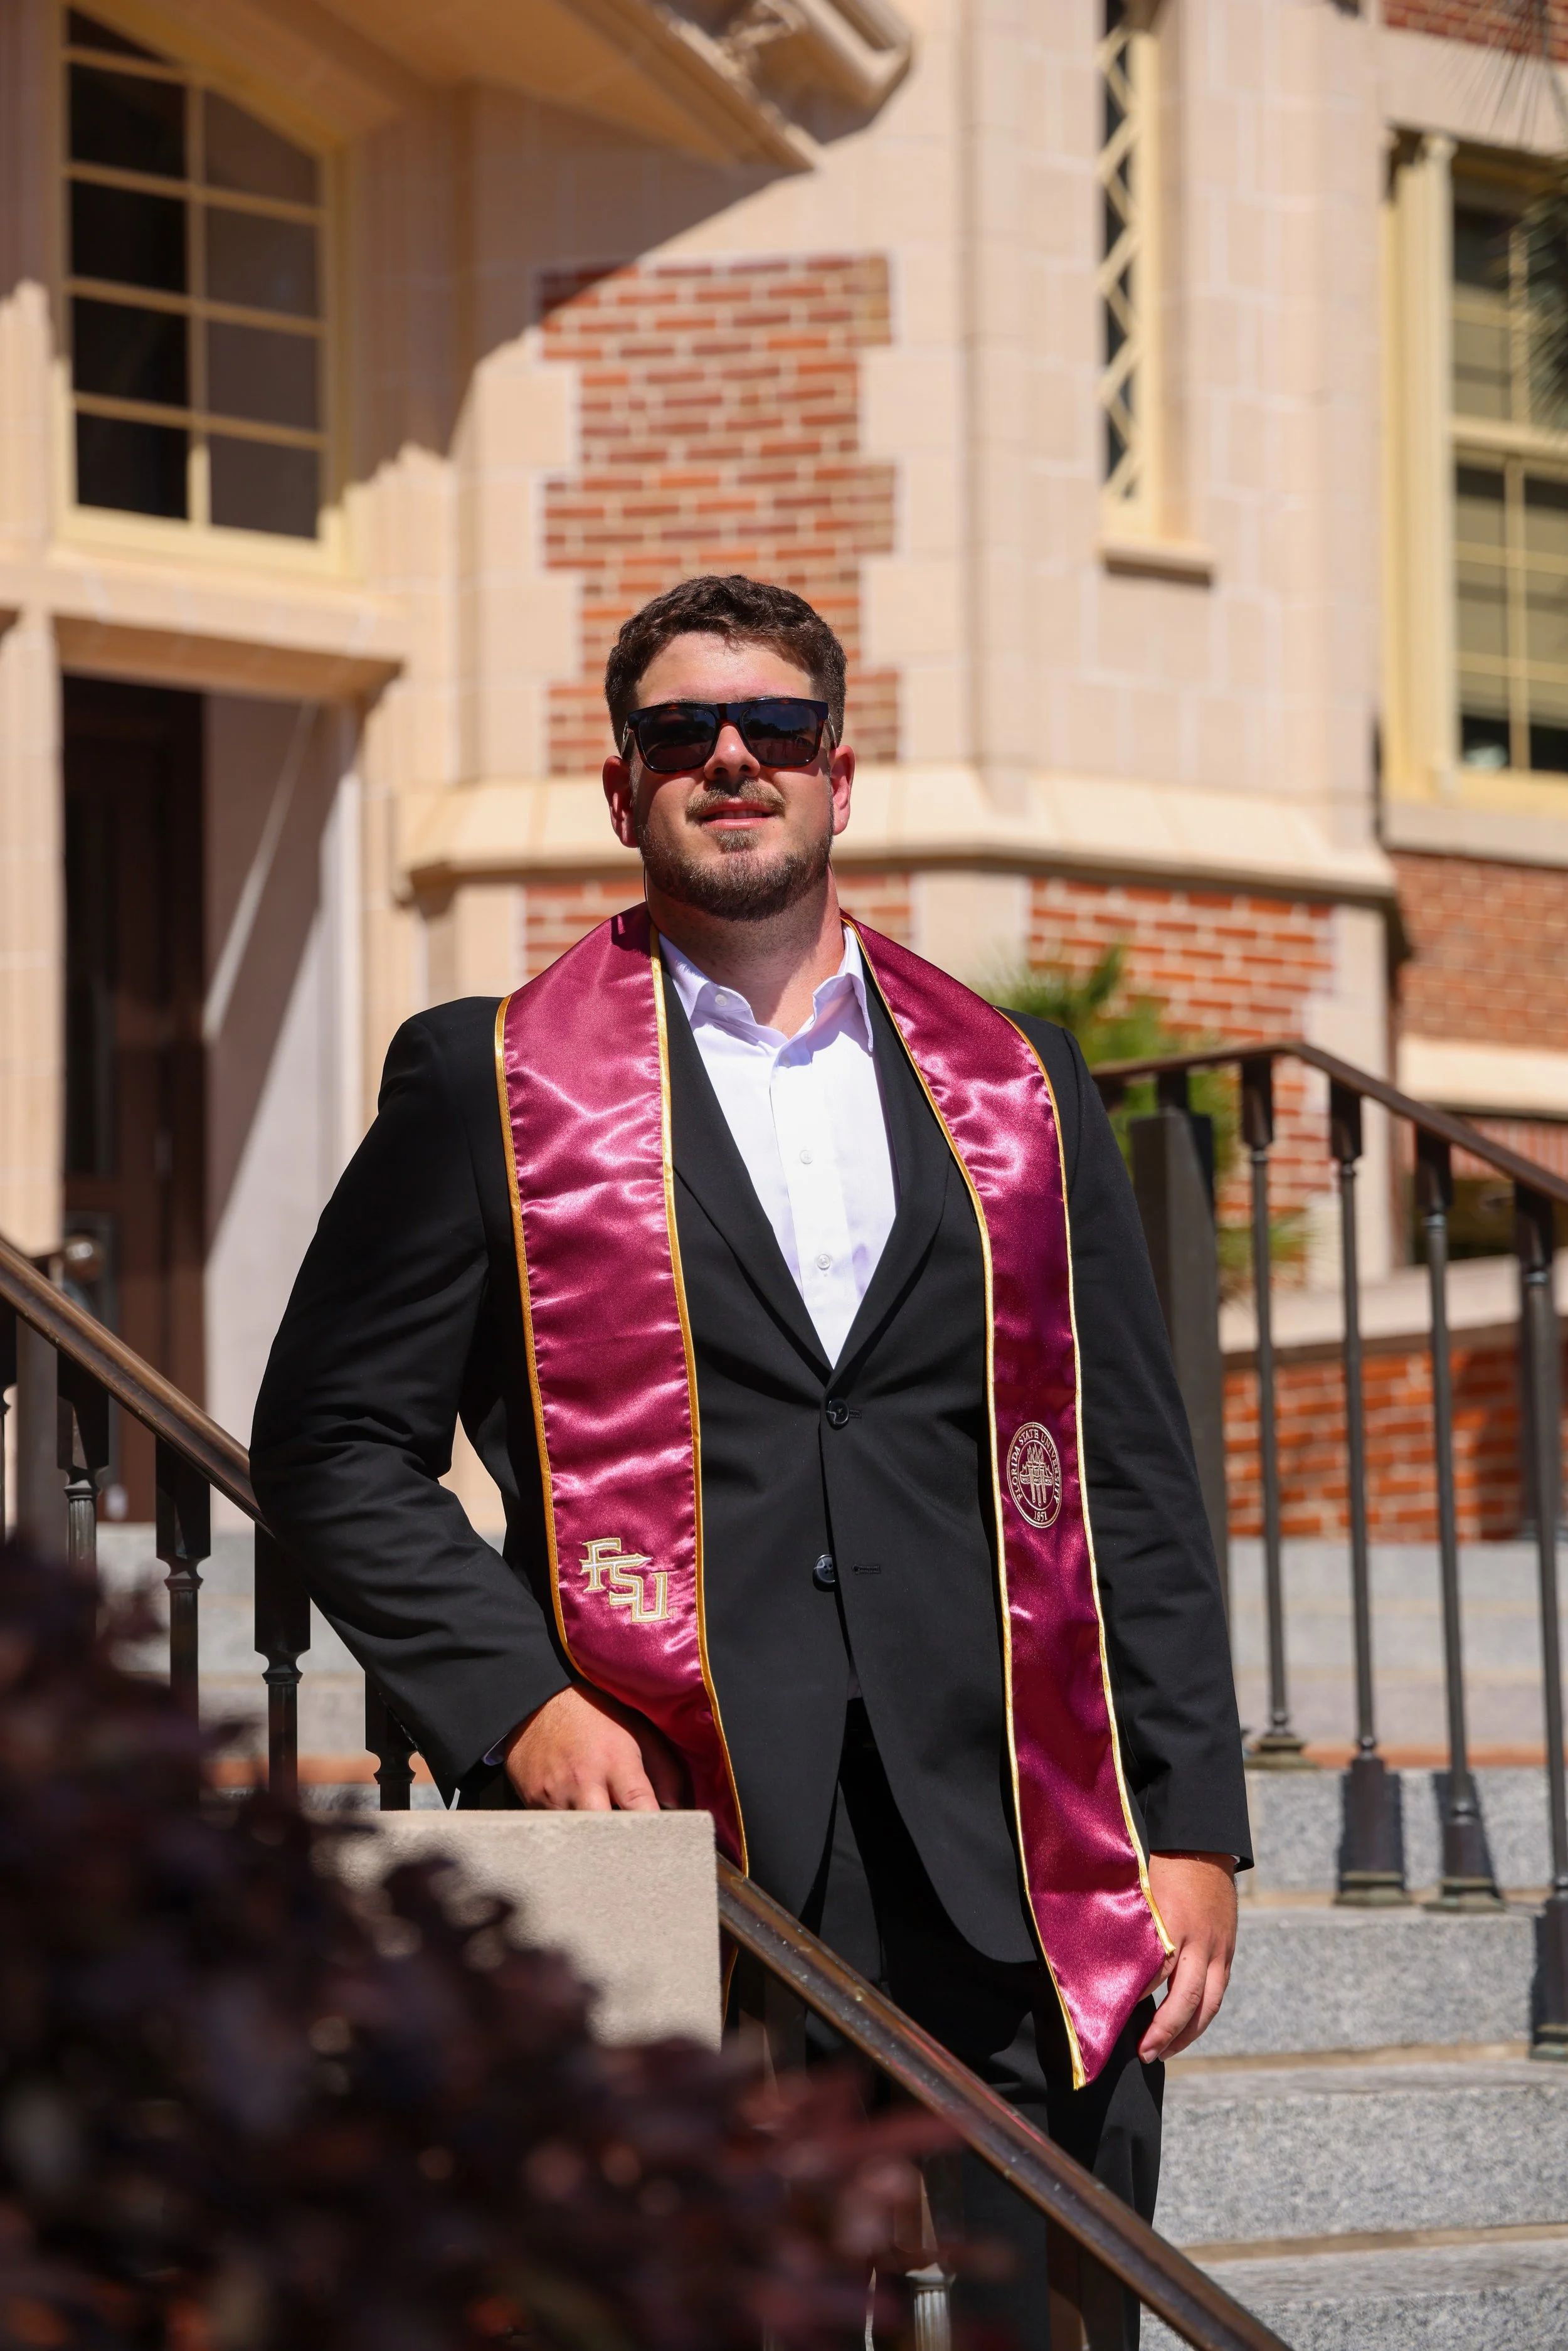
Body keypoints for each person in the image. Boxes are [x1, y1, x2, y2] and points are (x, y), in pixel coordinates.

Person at [251, 573, 1250, 2348]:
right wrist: (518, 1704)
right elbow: (332, 1440)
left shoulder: (1014, 1084)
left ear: (837, 778)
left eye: (772, 728)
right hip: (683, 1837)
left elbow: (1130, 1474)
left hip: (1016, 1841)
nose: (731, 759)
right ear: (619, 790)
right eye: (679, 734)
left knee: (1045, 2314)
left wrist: (1190, 1824)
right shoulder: (489, 1083)